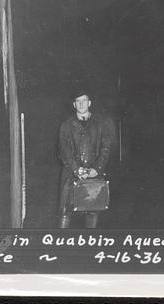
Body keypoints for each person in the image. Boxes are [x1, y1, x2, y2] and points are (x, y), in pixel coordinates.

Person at [58, 90, 115, 228]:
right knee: (65, 212)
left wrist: (97, 169)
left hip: (93, 174)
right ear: (74, 104)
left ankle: (90, 243)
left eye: (84, 100)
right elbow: (63, 150)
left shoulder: (101, 125)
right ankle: (59, 244)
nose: (81, 104)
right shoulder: (66, 126)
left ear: (89, 103)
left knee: (92, 210)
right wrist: (76, 169)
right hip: (71, 175)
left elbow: (105, 149)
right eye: (78, 101)